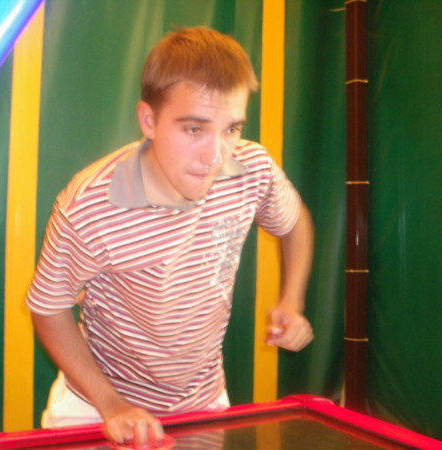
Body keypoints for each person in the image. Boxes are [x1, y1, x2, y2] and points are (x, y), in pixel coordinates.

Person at [26, 26, 314, 447]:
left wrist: (292, 300)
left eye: (231, 129)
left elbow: (294, 222)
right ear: (149, 121)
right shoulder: (89, 204)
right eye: (194, 129)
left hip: (203, 401)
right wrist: (111, 405)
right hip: (98, 404)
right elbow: (48, 308)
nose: (215, 156)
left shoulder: (252, 169)